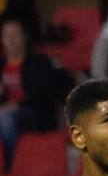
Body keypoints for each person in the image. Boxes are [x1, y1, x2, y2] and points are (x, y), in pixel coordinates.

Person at [2, 19, 76, 168]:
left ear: (24, 37)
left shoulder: (39, 62)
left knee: (6, 120)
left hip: (34, 114)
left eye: (15, 34)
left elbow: (44, 93)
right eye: (7, 35)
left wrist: (16, 104)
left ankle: (10, 169)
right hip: (6, 110)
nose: (11, 40)